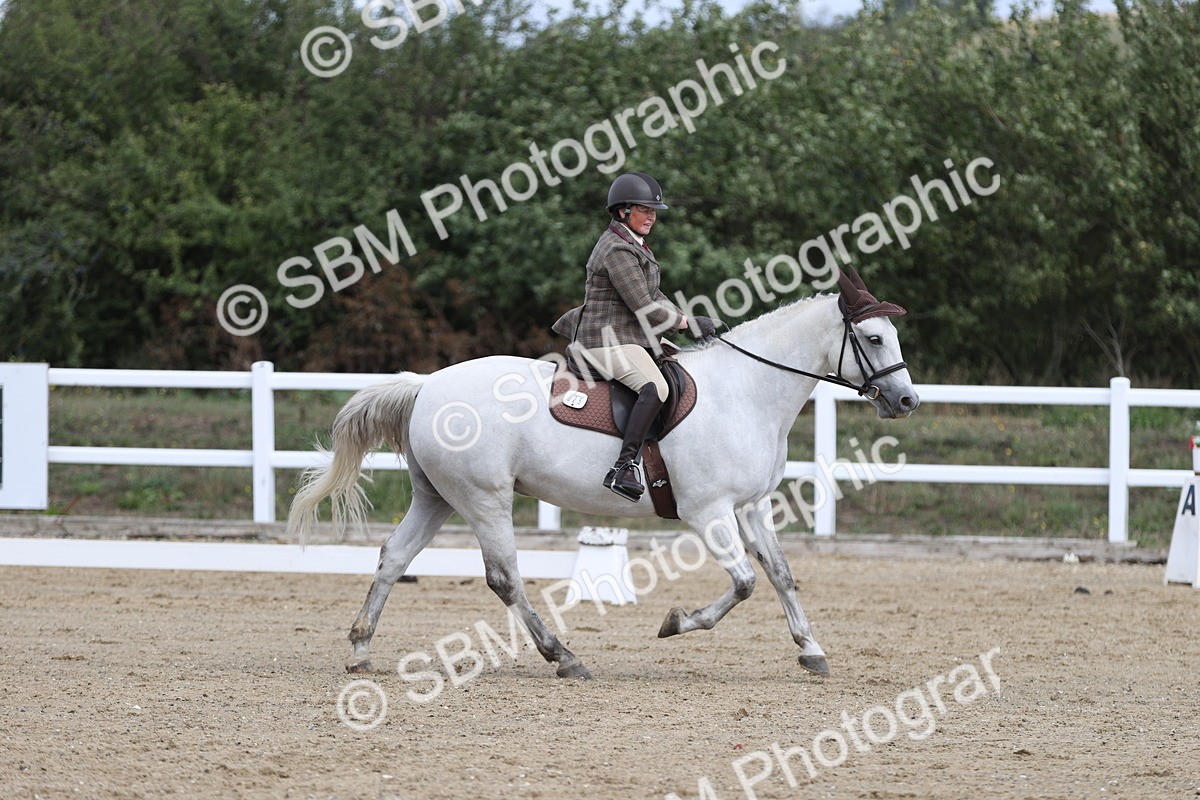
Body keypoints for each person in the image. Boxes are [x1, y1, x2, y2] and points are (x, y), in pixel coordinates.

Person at [552, 172, 717, 502]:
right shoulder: (617, 249)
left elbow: (656, 295)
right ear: (623, 211)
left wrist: (685, 320)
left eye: (654, 211)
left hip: (628, 336)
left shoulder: (633, 244)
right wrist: (685, 324)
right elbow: (642, 305)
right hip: (603, 340)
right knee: (656, 387)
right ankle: (623, 466)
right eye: (645, 209)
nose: (651, 216)